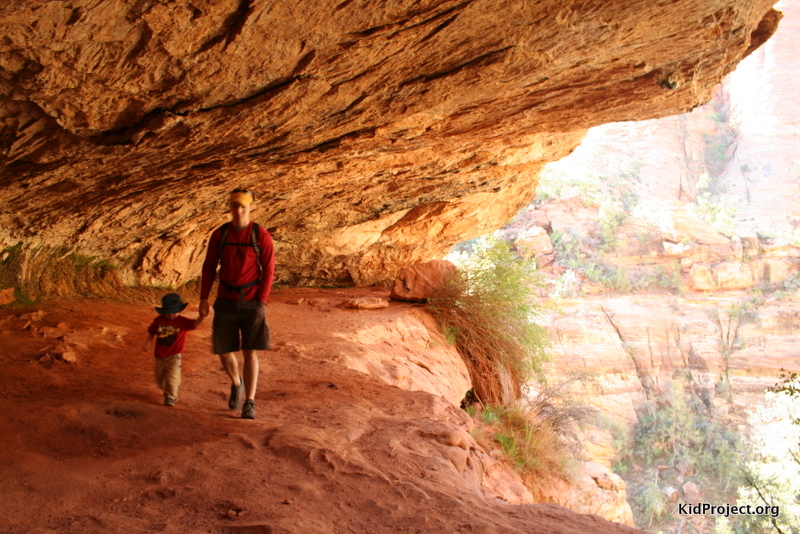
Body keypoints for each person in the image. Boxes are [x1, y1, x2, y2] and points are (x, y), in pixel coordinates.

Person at [199, 188, 275, 420]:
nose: (238, 210)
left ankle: (249, 402)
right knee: (224, 350)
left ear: (251, 207)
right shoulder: (220, 234)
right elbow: (209, 266)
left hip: (251, 301)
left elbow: (269, 269)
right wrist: (203, 298)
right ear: (230, 207)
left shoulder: (260, 235)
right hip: (226, 300)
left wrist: (261, 299)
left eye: (243, 205)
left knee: (250, 352)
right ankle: (236, 382)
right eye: (234, 205)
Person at [144, 293, 205, 406]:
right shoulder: (159, 320)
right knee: (160, 378)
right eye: (168, 312)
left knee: (173, 376)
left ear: (179, 310)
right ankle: (168, 390)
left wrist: (201, 316)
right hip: (159, 355)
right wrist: (148, 343)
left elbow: (195, 323)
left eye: (174, 311)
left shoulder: (182, 321)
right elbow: (152, 331)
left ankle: (171, 397)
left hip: (175, 355)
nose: (171, 314)